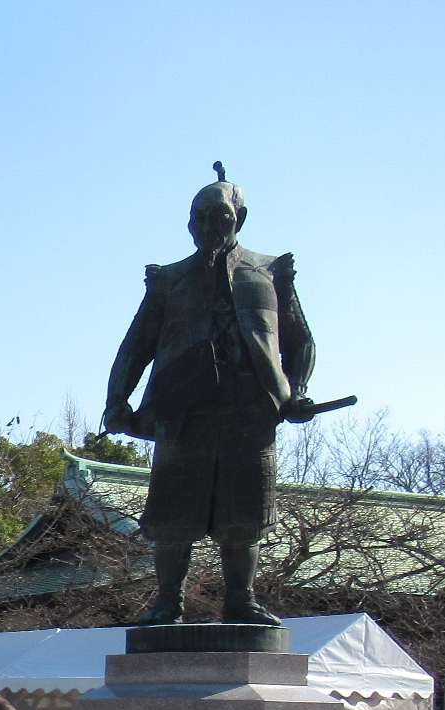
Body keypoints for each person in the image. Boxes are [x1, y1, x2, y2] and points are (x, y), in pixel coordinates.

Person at [104, 162, 320, 627]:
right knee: (172, 517)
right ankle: (167, 602)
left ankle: (241, 600)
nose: (207, 226)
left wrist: (297, 390)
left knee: (243, 517)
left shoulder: (270, 272)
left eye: (218, 216)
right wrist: (117, 401)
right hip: (182, 412)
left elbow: (300, 340)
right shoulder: (169, 280)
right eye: (198, 217)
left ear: (239, 218)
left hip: (250, 411)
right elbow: (136, 345)